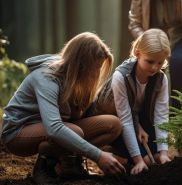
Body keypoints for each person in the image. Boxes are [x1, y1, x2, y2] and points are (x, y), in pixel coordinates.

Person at [1, 32, 126, 184]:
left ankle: (70, 166)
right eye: (94, 68)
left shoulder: (74, 78)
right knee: (75, 131)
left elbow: (75, 116)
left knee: (113, 125)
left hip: (50, 127)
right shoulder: (47, 78)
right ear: (80, 64)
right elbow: (54, 127)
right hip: (18, 133)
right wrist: (98, 156)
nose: (96, 73)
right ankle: (44, 166)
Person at [94, 28, 171, 175]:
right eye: (150, 61)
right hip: (113, 123)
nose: (155, 67)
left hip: (137, 120)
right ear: (137, 53)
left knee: (156, 158)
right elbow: (125, 120)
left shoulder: (161, 79)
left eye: (160, 62)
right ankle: (111, 151)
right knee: (146, 162)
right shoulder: (121, 77)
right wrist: (138, 161)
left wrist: (163, 153)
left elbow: (161, 117)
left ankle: (128, 158)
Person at [128, 0, 182, 112]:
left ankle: (177, 116)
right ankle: (148, 115)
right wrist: (147, 40)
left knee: (180, 63)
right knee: (150, 67)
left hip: (179, 38)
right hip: (152, 39)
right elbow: (135, 22)